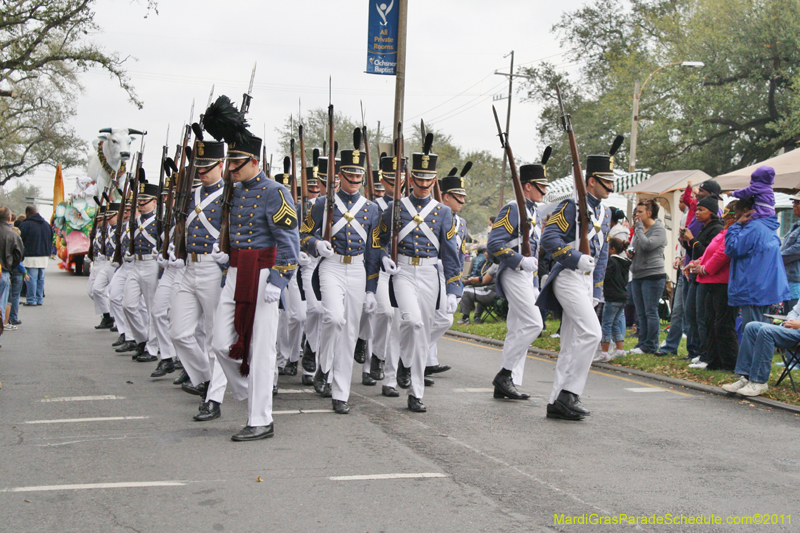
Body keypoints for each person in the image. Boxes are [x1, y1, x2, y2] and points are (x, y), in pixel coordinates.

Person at [204, 96, 300, 442]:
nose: (231, 170)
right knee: (219, 343)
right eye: (231, 165)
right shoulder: (236, 191)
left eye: (238, 164)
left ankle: (260, 417)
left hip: (263, 273)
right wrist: (227, 258)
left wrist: (280, 277)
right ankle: (250, 389)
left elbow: (288, 239)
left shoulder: (275, 192)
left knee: (261, 349)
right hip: (236, 272)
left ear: (255, 161)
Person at [379, 138, 462, 413]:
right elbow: (377, 241)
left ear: (434, 180)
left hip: (429, 273)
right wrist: (383, 257)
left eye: (429, 180)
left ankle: (416, 392)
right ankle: (405, 360)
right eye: (419, 179)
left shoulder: (443, 212)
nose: (423, 185)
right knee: (412, 323)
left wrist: (453, 289)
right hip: (402, 271)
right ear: (411, 179)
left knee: (423, 330)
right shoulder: (395, 207)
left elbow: (452, 254)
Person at [300, 135, 381, 414]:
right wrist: (315, 244)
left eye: (359, 175)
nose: (355, 179)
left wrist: (372, 287)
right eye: (350, 174)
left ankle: (340, 392)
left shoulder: (371, 209)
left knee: (349, 332)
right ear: (340, 175)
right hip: (331, 264)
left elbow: (374, 251)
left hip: (357, 268)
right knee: (333, 318)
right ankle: (323, 365)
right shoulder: (322, 204)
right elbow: (303, 234)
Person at [537, 141, 616, 421]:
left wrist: (597, 288)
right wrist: (573, 257)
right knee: (592, 334)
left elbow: (603, 253)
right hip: (568, 276)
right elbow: (549, 238)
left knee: (571, 344)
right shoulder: (570, 205)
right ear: (591, 181)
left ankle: (556, 401)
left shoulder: (605, 212)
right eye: (606, 182)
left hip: (585, 281)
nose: (610, 188)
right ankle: (570, 393)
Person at [168, 139, 229, 421]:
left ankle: (214, 399)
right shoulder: (190, 195)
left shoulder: (230, 194)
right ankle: (205, 379)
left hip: (214, 269)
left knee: (215, 338)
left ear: (221, 165)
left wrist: (228, 256)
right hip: (188, 267)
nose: (202, 172)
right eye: (199, 167)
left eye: (207, 167)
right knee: (179, 332)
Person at [487, 155, 549, 400]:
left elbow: (531, 248)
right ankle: (504, 374)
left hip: (525, 277)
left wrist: (533, 282)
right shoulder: (513, 207)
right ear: (527, 186)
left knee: (517, 328)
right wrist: (519, 260)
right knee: (534, 324)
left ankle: (509, 381)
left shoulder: (532, 210)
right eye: (541, 186)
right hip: (512, 273)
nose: (545, 191)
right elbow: (494, 243)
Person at [725, 182, 790, 330]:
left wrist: (735, 226)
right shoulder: (768, 226)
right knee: (764, 330)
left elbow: (732, 248)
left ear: (746, 211)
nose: (735, 217)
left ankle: (754, 354)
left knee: (752, 331)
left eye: (736, 212)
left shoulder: (752, 227)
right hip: (766, 288)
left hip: (753, 288)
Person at [427, 164, 471, 378]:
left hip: (450, 273)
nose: (462, 201)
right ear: (444, 197)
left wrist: (457, 281)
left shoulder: (461, 222)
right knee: (440, 318)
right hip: (432, 269)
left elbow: (459, 253)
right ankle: (414, 355)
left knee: (440, 317)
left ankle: (426, 360)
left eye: (463, 196)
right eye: (457, 196)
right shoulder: (434, 216)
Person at [685, 201, 737, 371]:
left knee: (723, 324)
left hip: (722, 281)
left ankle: (728, 362)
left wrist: (705, 269)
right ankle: (713, 360)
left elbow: (722, 254)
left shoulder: (732, 233)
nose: (725, 219)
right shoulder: (723, 232)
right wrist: (695, 263)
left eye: (727, 216)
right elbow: (710, 253)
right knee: (710, 323)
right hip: (710, 282)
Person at [721, 298, 800, 398]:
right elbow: (794, 311)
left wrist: (798, 325)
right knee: (751, 326)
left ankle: (759, 381)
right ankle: (746, 377)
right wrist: (790, 322)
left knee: (766, 331)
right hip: (792, 329)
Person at [121, 181, 162, 361]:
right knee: (127, 304)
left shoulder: (158, 221)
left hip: (151, 264)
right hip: (136, 264)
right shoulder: (134, 221)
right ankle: (141, 339)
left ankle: (152, 348)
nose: (141, 205)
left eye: (145, 201)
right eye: (140, 201)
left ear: (154, 202)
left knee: (153, 308)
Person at [628, 199, 667, 355]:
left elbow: (648, 245)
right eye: (636, 212)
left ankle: (650, 345)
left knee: (650, 311)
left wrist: (638, 229)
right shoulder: (640, 229)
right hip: (638, 274)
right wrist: (630, 252)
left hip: (653, 275)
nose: (636, 215)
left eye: (640, 212)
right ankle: (642, 343)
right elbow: (637, 246)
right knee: (641, 311)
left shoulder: (658, 229)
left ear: (649, 213)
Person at [656, 194, 689, 356]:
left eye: (682, 201)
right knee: (677, 310)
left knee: (689, 312)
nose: (680, 204)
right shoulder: (684, 218)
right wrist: (678, 256)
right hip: (683, 269)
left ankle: (694, 349)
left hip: (693, 269)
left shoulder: (694, 216)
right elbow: (680, 242)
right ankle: (671, 345)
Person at [598, 237, 631, 362]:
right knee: (615, 323)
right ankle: (620, 349)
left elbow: (606, 277)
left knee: (606, 323)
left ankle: (604, 351)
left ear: (612, 249)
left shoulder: (611, 261)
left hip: (612, 297)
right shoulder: (625, 263)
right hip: (622, 296)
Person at [19, 205, 53, 306]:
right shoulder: (47, 225)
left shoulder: (26, 225)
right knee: (40, 279)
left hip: (30, 256)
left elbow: (20, 240)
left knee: (31, 279)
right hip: (44, 256)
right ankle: (39, 299)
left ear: (28, 213)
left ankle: (31, 300)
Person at [0, 206, 24, 343]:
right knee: (1, 304)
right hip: (3, 272)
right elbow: (19, 255)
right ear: (9, 218)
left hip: (4, 271)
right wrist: (10, 267)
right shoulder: (13, 234)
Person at [459, 249, 498, 325]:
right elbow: (476, 273)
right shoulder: (484, 263)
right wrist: (473, 278)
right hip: (485, 287)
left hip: (492, 291)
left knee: (466, 291)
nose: (485, 253)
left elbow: (486, 280)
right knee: (475, 290)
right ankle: (477, 317)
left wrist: (477, 279)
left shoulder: (495, 265)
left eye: (487, 252)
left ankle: (465, 318)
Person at [779, 192, 800, 311]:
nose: (794, 205)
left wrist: (777, 257)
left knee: (793, 318)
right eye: (794, 202)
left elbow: (797, 249)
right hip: (788, 280)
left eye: (798, 202)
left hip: (796, 283)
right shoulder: (795, 226)